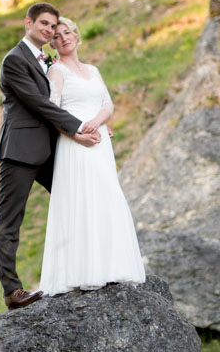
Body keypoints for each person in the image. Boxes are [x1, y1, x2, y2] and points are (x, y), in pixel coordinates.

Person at [0, 2, 101, 310]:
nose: (50, 30)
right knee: (10, 220)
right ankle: (12, 292)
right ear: (28, 23)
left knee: (76, 200)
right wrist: (78, 128)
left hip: (52, 149)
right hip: (21, 151)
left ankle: (83, 269)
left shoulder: (48, 60)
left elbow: (66, 98)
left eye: (53, 26)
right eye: (43, 23)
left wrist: (97, 123)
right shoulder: (14, 60)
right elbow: (40, 104)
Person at [37, 16, 146, 294]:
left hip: (98, 140)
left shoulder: (93, 70)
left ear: (76, 35)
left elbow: (107, 103)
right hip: (76, 142)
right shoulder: (56, 71)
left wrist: (97, 122)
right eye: (57, 36)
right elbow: (54, 111)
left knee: (106, 195)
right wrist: (77, 134)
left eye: (67, 32)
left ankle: (111, 266)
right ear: (52, 43)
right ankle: (83, 270)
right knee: (82, 199)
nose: (63, 38)